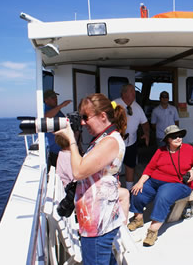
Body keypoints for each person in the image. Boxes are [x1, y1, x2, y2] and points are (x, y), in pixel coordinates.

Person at [55, 93, 127, 265]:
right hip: (95, 219)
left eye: (86, 117)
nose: (82, 122)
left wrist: (71, 139)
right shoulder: (102, 139)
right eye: (81, 118)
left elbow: (79, 171)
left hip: (97, 223)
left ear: (103, 116)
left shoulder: (110, 141)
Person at [128, 125, 193, 246]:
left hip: (177, 183)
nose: (178, 138)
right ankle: (138, 219)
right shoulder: (161, 150)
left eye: (180, 136)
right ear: (167, 139)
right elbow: (150, 168)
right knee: (138, 191)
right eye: (174, 136)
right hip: (155, 181)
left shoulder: (188, 149)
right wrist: (140, 181)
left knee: (163, 196)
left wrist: (192, 171)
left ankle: (152, 231)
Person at [114, 84, 150, 191]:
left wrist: (146, 134)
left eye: (134, 91)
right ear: (124, 94)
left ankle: (129, 191)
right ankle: (115, 190)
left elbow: (145, 123)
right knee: (115, 168)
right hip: (116, 143)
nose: (134, 94)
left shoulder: (137, 107)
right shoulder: (114, 104)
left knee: (130, 166)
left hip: (131, 142)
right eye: (131, 91)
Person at [44, 90, 72, 167]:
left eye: (56, 98)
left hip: (64, 149)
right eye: (53, 98)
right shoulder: (45, 109)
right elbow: (45, 117)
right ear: (46, 100)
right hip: (55, 150)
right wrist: (61, 105)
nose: (56, 99)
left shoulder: (55, 109)